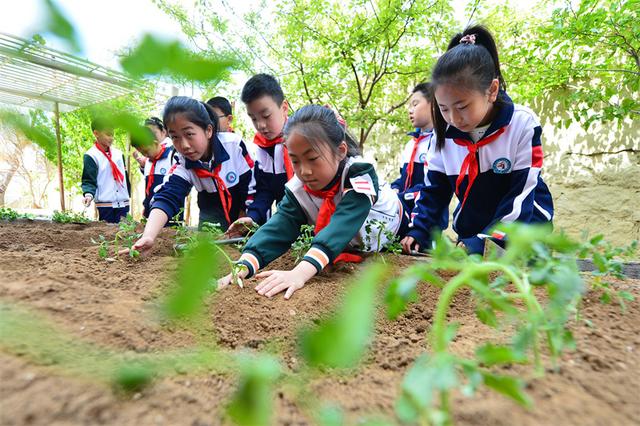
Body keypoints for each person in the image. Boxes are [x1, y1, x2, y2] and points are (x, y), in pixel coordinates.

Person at [218, 105, 408, 300]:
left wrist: (300, 273)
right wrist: (243, 266)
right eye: (295, 161)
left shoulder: (359, 174)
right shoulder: (298, 188)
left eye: (312, 158)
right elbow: (278, 227)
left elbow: (344, 222)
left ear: (341, 151)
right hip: (353, 242)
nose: (305, 171)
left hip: (397, 226)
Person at [401, 25, 554, 256]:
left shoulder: (522, 124)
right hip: (472, 232)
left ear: (491, 90)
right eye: (443, 109)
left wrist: (486, 242)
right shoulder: (442, 135)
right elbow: (434, 191)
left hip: (523, 228)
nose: (453, 118)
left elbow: (521, 196)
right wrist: (419, 231)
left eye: (462, 107)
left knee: (516, 280)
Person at [127, 96, 253, 254]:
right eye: (175, 137)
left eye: (189, 134)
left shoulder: (233, 146)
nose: (184, 145)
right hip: (210, 210)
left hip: (245, 211)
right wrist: (149, 235)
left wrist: (247, 217)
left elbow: (252, 186)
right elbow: (168, 195)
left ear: (208, 130)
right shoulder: (182, 162)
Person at [225, 74, 291, 237]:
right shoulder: (261, 149)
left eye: (266, 116)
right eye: (253, 118)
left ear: (284, 108)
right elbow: (264, 191)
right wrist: (252, 218)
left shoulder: (304, 140)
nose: (260, 125)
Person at [391, 82, 447, 229]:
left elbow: (435, 186)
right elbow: (402, 179)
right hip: (403, 216)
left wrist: (402, 197)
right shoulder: (411, 144)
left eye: (415, 104)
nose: (410, 110)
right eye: (409, 106)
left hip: (428, 220)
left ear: (434, 104)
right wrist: (393, 189)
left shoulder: (442, 142)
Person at [81, 117, 130, 223]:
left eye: (112, 134)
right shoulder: (91, 155)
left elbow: (125, 176)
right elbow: (89, 179)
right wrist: (88, 195)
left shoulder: (118, 154)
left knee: (125, 233)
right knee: (108, 235)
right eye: (108, 134)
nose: (111, 138)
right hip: (105, 206)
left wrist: (128, 193)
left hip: (123, 203)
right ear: (96, 133)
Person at [130, 127, 183, 220]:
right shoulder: (148, 162)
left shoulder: (172, 157)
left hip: (171, 214)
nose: (145, 155)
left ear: (155, 143)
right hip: (151, 213)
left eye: (146, 151)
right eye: (142, 153)